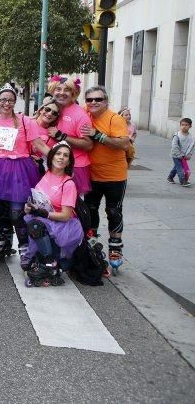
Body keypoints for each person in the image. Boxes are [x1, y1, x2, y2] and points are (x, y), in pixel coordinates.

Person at [0, 84, 45, 267]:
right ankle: (0, 241)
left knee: (17, 212)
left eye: (11, 100)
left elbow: (38, 143)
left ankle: (24, 247)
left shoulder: (25, 121)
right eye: (3, 99)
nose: (7, 103)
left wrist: (59, 157)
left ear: (15, 101)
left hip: (20, 168)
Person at [82, 86, 131, 274]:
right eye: (89, 100)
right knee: (90, 211)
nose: (93, 102)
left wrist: (98, 135)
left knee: (113, 211)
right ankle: (91, 243)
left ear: (106, 101)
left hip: (114, 176)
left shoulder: (114, 118)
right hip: (92, 175)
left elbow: (124, 143)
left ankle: (115, 248)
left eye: (98, 99)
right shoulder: (86, 115)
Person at [22, 142, 84, 287]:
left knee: (36, 225)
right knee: (30, 221)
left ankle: (52, 264)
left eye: (65, 155)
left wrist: (43, 213)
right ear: (51, 156)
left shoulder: (68, 183)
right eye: (58, 154)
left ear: (69, 161)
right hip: (46, 220)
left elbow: (66, 216)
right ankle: (44, 261)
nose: (61, 158)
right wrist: (29, 208)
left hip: (63, 225)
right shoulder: (47, 174)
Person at [46, 76, 94, 196]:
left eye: (66, 90)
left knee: (71, 208)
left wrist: (62, 136)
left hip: (74, 167)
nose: (61, 93)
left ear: (73, 93)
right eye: (58, 89)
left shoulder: (80, 115)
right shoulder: (50, 109)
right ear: (53, 91)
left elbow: (88, 145)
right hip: (54, 164)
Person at [31, 97, 61, 174]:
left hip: (39, 171)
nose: (50, 113)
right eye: (48, 109)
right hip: (22, 166)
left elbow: (50, 156)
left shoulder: (53, 134)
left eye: (54, 113)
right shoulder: (28, 122)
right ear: (41, 110)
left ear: (56, 118)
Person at [168, 118, 193, 186]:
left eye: (186, 125)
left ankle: (170, 177)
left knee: (177, 167)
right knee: (180, 168)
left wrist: (189, 155)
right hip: (176, 155)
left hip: (184, 156)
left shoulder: (190, 137)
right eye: (182, 125)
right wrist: (179, 155)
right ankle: (182, 181)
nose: (184, 126)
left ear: (190, 126)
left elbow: (191, 147)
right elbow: (174, 146)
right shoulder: (177, 135)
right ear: (180, 125)